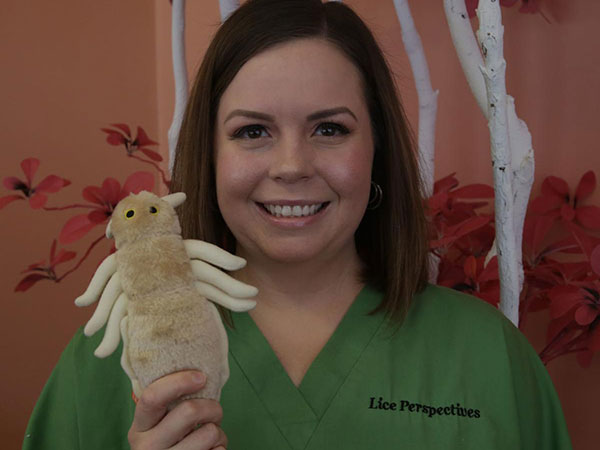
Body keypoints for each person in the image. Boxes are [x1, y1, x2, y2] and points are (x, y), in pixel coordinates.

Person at [23, 0, 572, 449]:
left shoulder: (488, 357)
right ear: (210, 154)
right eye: (252, 131)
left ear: (376, 150)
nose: (291, 166)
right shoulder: (110, 356)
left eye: (330, 129)